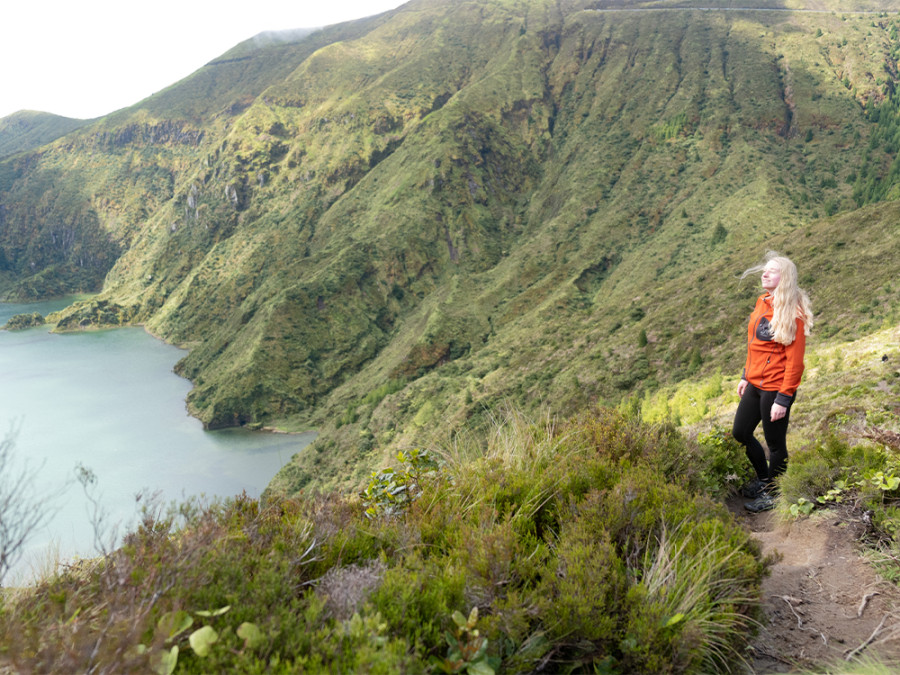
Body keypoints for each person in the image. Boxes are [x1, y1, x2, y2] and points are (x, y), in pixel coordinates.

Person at [732, 251, 813, 512]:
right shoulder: (762, 303)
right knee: (741, 432)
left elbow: (795, 362)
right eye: (764, 270)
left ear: (785, 278)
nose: (764, 274)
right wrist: (746, 375)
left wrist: (783, 398)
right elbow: (753, 345)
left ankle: (774, 493)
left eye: (772, 271)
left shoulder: (794, 314)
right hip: (755, 384)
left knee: (775, 444)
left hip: (776, 389)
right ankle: (765, 479)